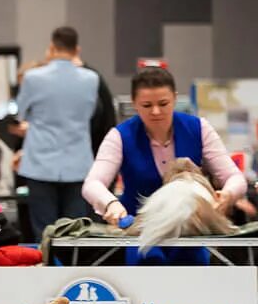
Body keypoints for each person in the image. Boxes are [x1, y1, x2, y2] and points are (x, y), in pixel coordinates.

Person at [82, 66, 245, 263]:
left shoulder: (199, 128)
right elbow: (92, 184)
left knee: (192, 267)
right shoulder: (119, 136)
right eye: (147, 105)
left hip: (190, 234)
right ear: (134, 103)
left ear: (175, 98)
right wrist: (111, 203)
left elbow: (234, 177)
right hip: (140, 234)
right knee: (147, 262)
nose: (156, 111)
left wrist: (227, 195)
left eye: (163, 103)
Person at [17, 26, 99, 241]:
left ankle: (47, 272)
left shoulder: (33, 78)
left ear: (51, 47)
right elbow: (89, 114)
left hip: (40, 164)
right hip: (78, 163)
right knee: (75, 233)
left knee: (44, 233)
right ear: (76, 50)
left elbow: (20, 113)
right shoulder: (91, 79)